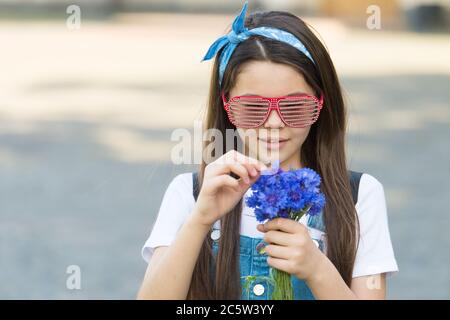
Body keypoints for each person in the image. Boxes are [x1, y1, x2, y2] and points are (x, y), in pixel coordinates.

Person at [137, 1, 398, 300]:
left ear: (321, 104)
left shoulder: (358, 196)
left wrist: (317, 269)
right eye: (252, 108)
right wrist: (199, 220)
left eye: (295, 107)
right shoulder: (189, 193)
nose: (274, 123)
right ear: (227, 106)